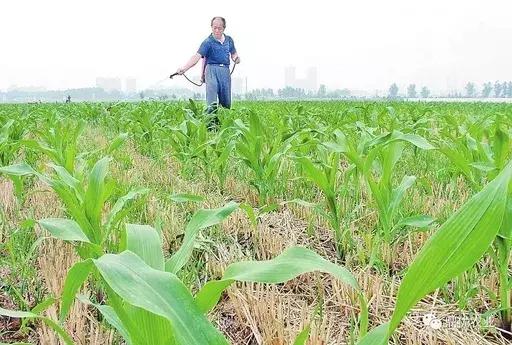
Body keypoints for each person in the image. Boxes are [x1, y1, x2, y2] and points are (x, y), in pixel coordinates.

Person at [176, 16, 240, 115]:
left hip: (225, 71)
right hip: (211, 70)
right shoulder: (207, 42)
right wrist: (184, 68)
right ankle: (210, 126)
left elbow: (233, 53)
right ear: (211, 27)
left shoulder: (229, 40)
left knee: (226, 102)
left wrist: (236, 58)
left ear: (224, 28)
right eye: (215, 28)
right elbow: (196, 57)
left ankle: (223, 125)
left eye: (220, 28)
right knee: (212, 101)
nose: (217, 30)